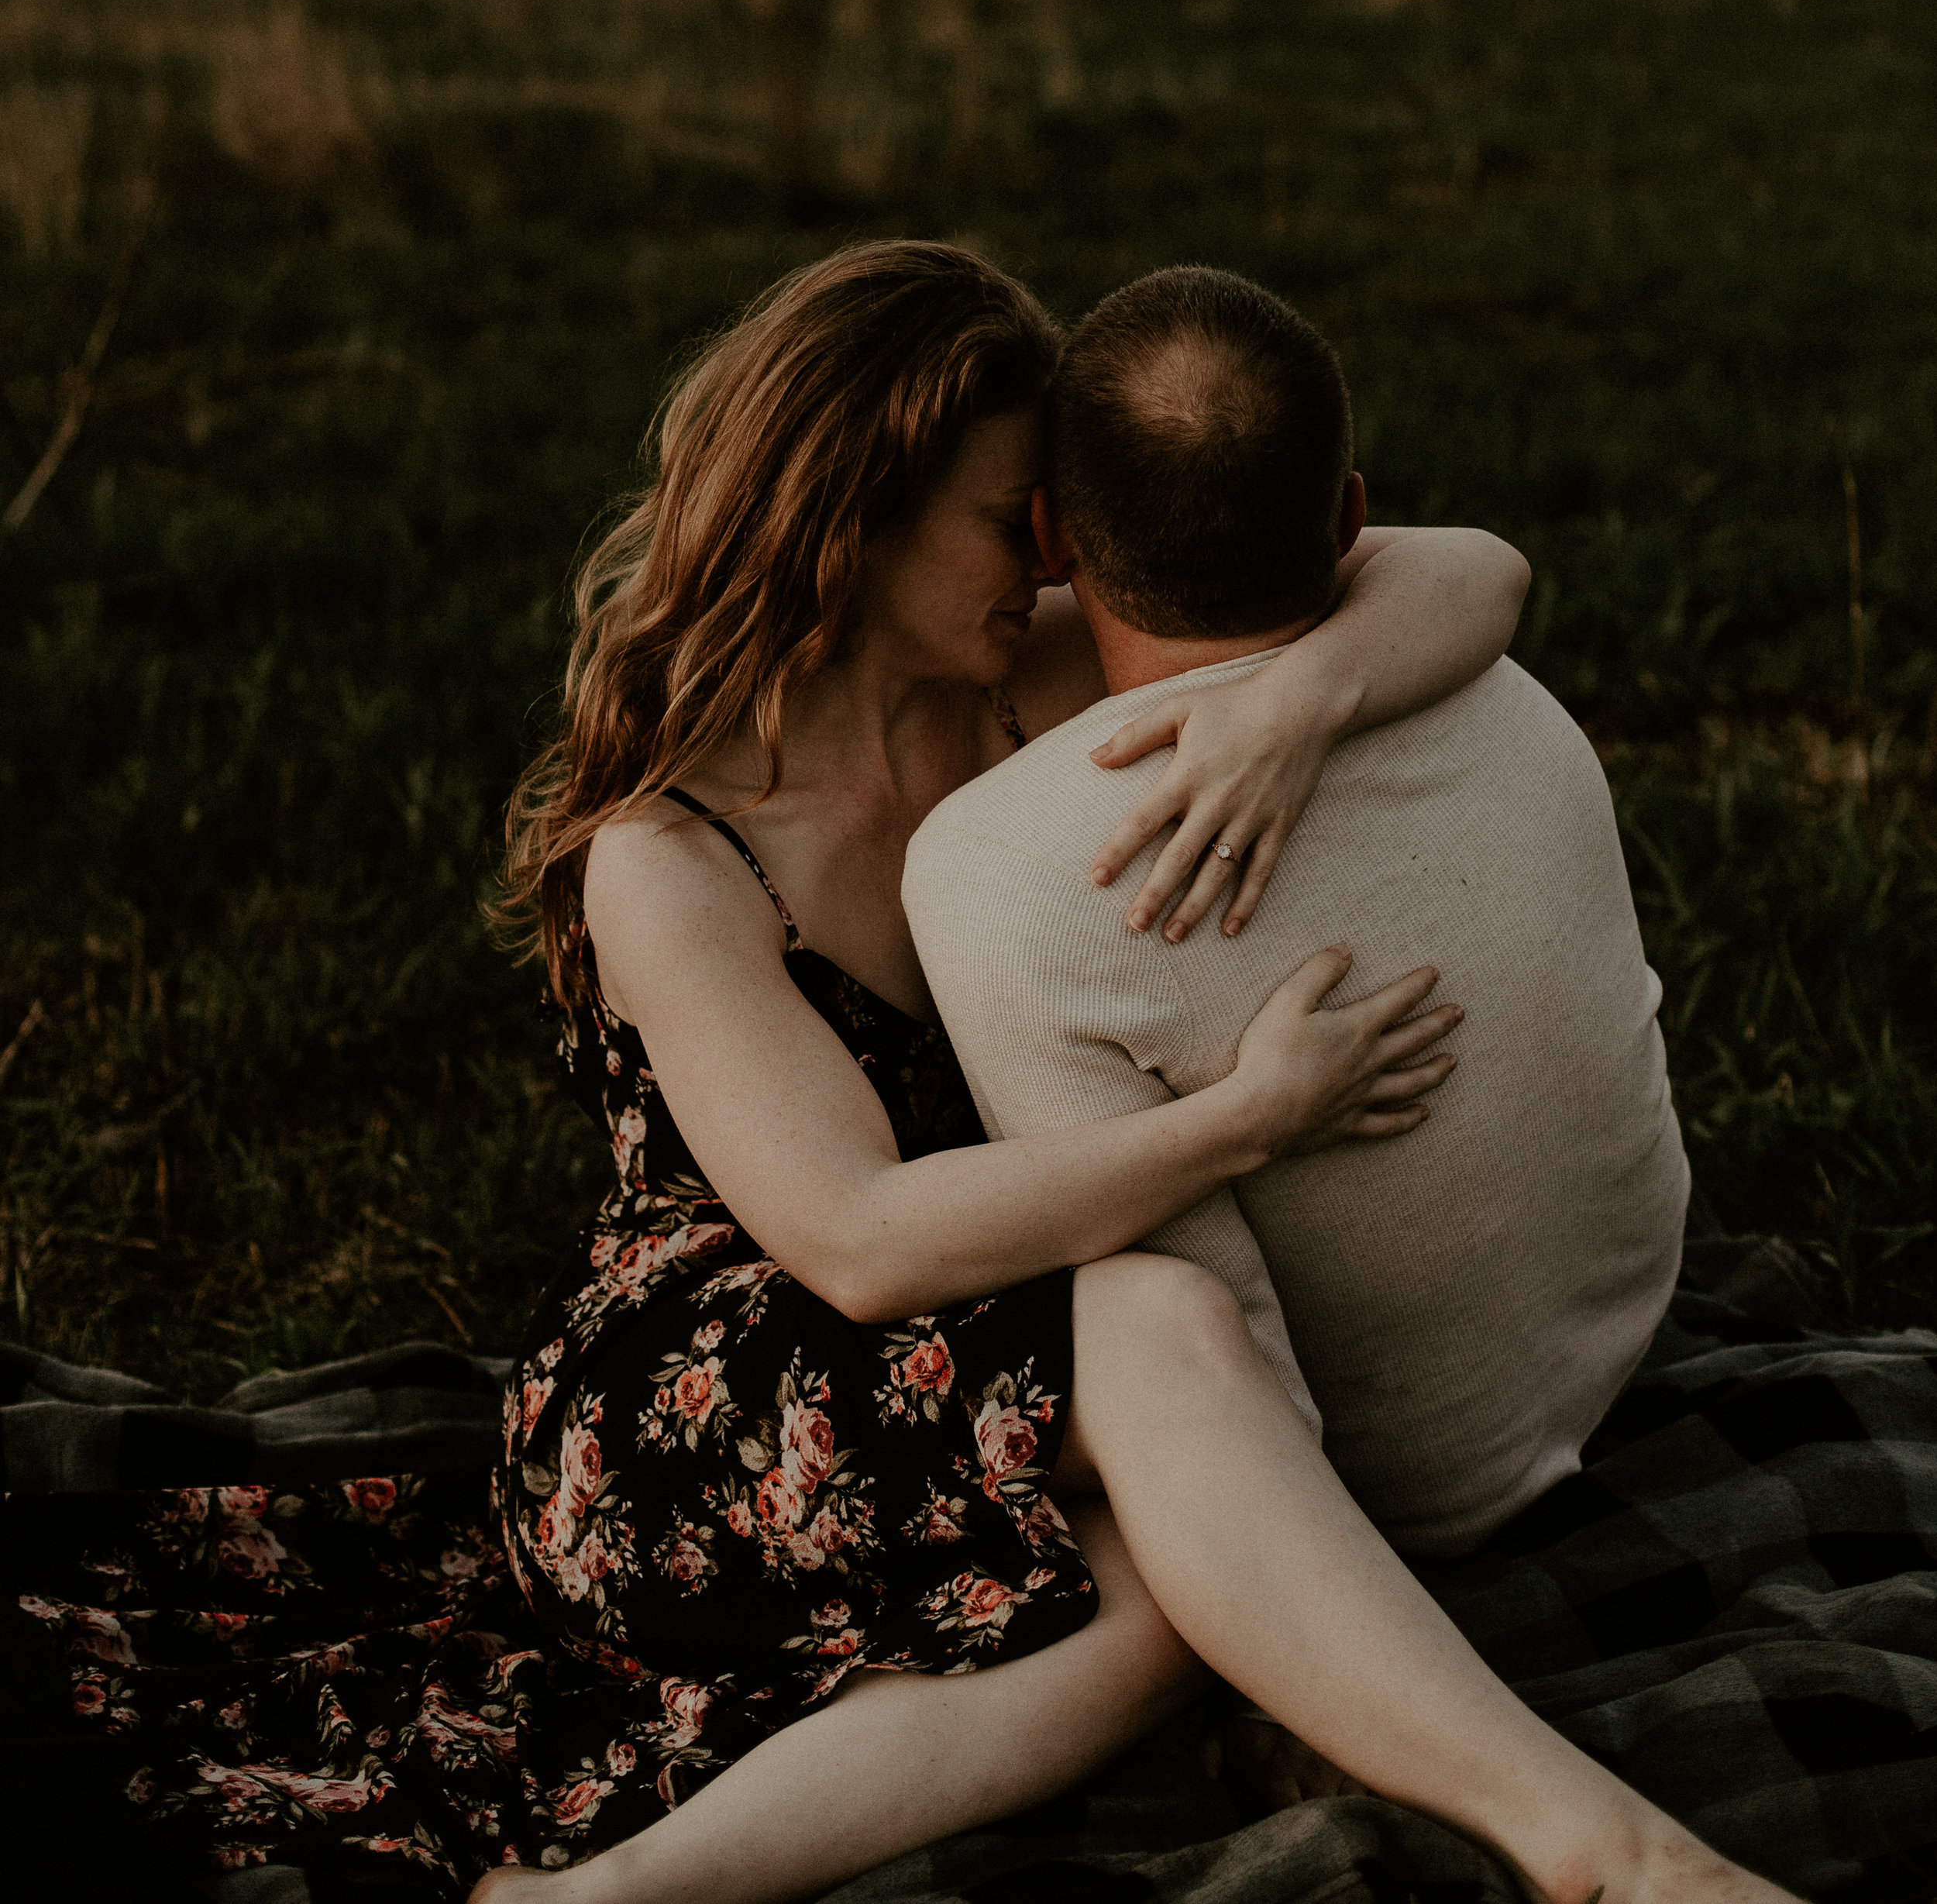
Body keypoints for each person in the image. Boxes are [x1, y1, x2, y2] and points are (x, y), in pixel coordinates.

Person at [463, 238, 1785, 1904]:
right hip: (708, 1386)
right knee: (1169, 1325)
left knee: (1180, 1597)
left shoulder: (1017, 666)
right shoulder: (676, 854)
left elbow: (1470, 570)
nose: (1042, 555)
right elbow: (860, 1240)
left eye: (1048, 519)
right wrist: (1249, 1118)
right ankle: (1598, 1850)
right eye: (1000, 517)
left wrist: (1300, 698)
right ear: (847, 522)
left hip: (991, 1332)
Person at [905, 265, 1690, 1558]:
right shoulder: (1512, 696)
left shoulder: (1004, 877)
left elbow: (1191, 1312)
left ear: (1048, 540)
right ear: (1352, 517)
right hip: (1620, 1333)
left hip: (1403, 1495)